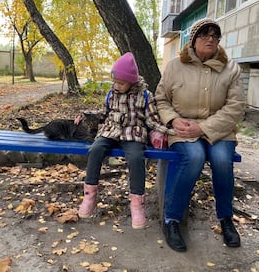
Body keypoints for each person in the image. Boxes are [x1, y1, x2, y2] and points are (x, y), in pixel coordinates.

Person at [155, 19, 246, 251]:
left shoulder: (231, 68)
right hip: (183, 129)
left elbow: (236, 107)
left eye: (215, 36)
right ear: (193, 40)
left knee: (222, 159)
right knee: (193, 157)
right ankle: (171, 220)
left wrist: (204, 128)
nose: (210, 39)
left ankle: (226, 219)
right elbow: (161, 99)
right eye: (204, 35)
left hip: (219, 130)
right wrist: (173, 120)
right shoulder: (175, 66)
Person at [77, 52, 174, 229]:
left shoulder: (144, 95)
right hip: (111, 131)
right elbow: (104, 114)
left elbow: (152, 119)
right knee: (95, 150)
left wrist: (168, 131)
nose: (117, 85)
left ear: (132, 81)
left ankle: (137, 204)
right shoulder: (111, 94)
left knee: (137, 158)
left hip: (133, 133)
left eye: (121, 83)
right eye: (115, 82)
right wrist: (86, 116)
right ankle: (89, 195)